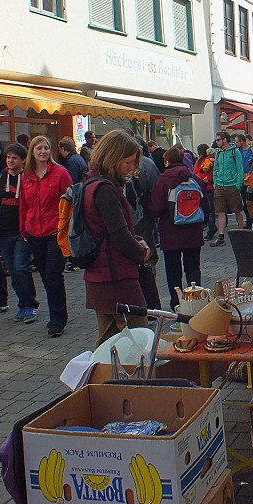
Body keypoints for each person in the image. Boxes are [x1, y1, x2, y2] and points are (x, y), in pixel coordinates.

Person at [82, 131, 149, 348]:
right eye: (128, 162)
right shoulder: (105, 189)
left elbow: (111, 230)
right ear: (112, 157)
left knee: (107, 340)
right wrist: (141, 251)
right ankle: (136, 381)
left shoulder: (92, 183)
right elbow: (119, 235)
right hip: (115, 276)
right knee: (140, 338)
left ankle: (97, 379)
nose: (131, 168)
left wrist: (135, 239)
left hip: (101, 275)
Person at [19, 136, 72, 337]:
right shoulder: (26, 176)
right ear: (32, 151)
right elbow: (24, 204)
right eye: (39, 148)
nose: (43, 151)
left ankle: (58, 318)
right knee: (44, 275)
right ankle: (55, 311)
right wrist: (23, 228)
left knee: (53, 274)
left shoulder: (60, 173)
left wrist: (66, 230)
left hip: (54, 231)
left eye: (46, 148)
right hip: (34, 231)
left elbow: (70, 201)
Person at [0, 143, 36, 321]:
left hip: (22, 233)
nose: (10, 160)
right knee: (13, 269)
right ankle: (23, 304)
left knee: (20, 267)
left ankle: (29, 305)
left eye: (14, 158)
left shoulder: (28, 179)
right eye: (8, 157)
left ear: (23, 160)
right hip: (3, 233)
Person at [150, 147, 205, 310]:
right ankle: (196, 303)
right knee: (193, 269)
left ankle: (177, 304)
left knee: (173, 272)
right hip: (194, 233)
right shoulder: (194, 178)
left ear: (166, 161)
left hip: (170, 233)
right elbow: (206, 207)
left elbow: (156, 208)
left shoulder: (163, 180)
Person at [124, 141, 162, 310]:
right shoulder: (147, 163)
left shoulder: (144, 163)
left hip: (139, 218)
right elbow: (156, 187)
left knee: (145, 258)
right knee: (147, 259)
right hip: (141, 218)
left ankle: (145, 299)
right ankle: (148, 299)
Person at [209, 132, 245, 247]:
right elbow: (216, 169)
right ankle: (221, 237)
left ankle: (242, 233)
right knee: (220, 211)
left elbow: (240, 169)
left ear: (225, 140)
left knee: (237, 210)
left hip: (232, 185)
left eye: (218, 140)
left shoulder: (235, 152)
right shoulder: (218, 153)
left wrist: (238, 185)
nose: (216, 142)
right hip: (220, 185)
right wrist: (215, 183)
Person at [193, 144, 217, 240]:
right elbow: (195, 172)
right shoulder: (200, 162)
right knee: (207, 209)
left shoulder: (209, 160)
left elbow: (214, 172)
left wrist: (207, 179)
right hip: (203, 186)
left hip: (208, 187)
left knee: (210, 210)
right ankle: (211, 227)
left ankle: (211, 230)